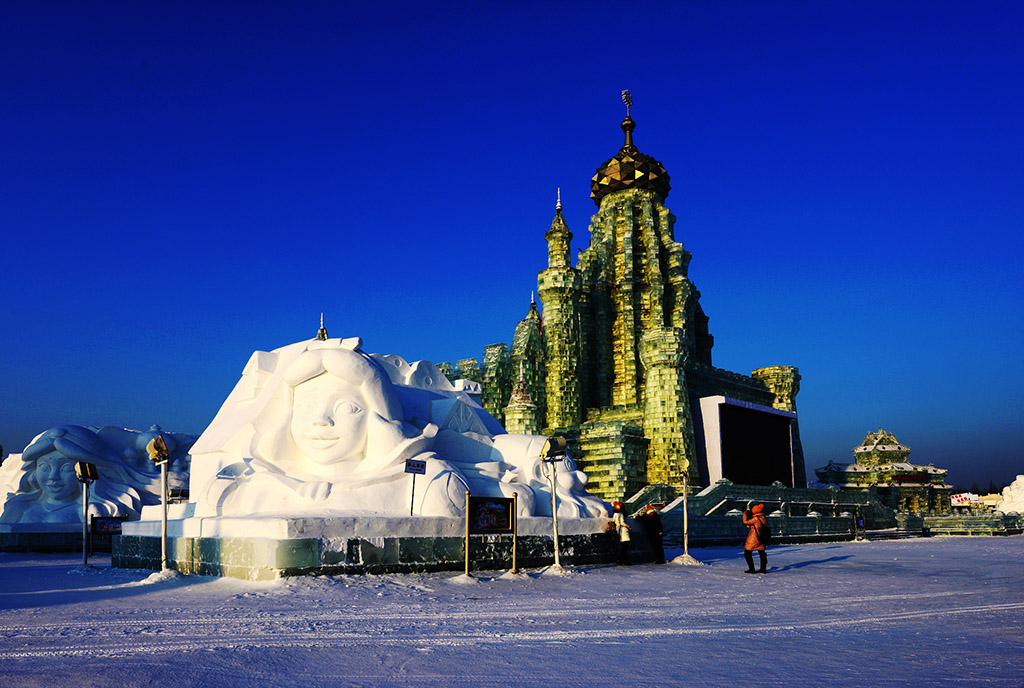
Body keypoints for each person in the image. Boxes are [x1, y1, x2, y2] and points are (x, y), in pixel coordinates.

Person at [742, 503, 769, 573]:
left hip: (754, 537)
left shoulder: (756, 519)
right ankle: (763, 569)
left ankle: (752, 568)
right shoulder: (763, 518)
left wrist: (745, 514)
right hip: (761, 537)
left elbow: (745, 522)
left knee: (747, 553)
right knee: (762, 553)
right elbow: (757, 526)